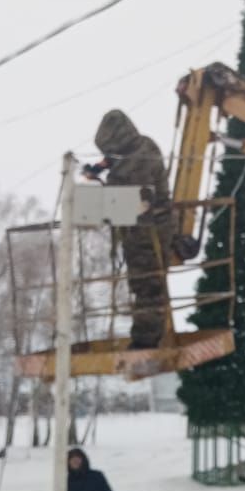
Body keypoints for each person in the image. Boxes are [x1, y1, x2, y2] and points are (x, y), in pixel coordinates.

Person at [86, 109, 177, 348]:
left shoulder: (137, 162)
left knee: (147, 284)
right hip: (142, 227)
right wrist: (99, 167)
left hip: (149, 230)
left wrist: (95, 201)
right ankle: (147, 335)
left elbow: (126, 201)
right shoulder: (142, 145)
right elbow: (117, 162)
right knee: (145, 282)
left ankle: (146, 341)